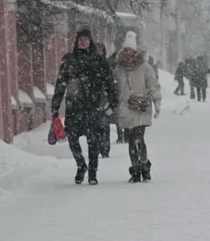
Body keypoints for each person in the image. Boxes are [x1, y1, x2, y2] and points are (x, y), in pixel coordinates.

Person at [51, 28, 117, 185]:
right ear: (76, 41)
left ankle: (92, 173)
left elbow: (109, 82)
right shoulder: (69, 60)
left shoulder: (98, 60)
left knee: (93, 141)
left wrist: (112, 102)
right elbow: (61, 83)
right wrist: (56, 104)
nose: (83, 41)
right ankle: (81, 165)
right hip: (74, 106)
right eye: (80, 39)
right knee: (72, 139)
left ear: (90, 41)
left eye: (86, 39)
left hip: (93, 106)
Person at [114, 31, 162, 183]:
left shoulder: (145, 67)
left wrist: (157, 102)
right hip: (126, 109)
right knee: (131, 140)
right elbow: (114, 88)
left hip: (141, 107)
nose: (128, 53)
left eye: (130, 50)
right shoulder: (119, 69)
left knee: (138, 139)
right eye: (126, 50)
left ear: (135, 51)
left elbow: (153, 85)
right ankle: (135, 170)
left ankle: (144, 166)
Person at [93, 43, 113, 158]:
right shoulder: (90, 63)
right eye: (97, 50)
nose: (99, 52)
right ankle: (98, 147)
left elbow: (111, 82)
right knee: (95, 127)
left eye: (101, 50)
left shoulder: (106, 64)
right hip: (93, 100)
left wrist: (111, 100)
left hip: (104, 99)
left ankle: (105, 149)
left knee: (105, 126)